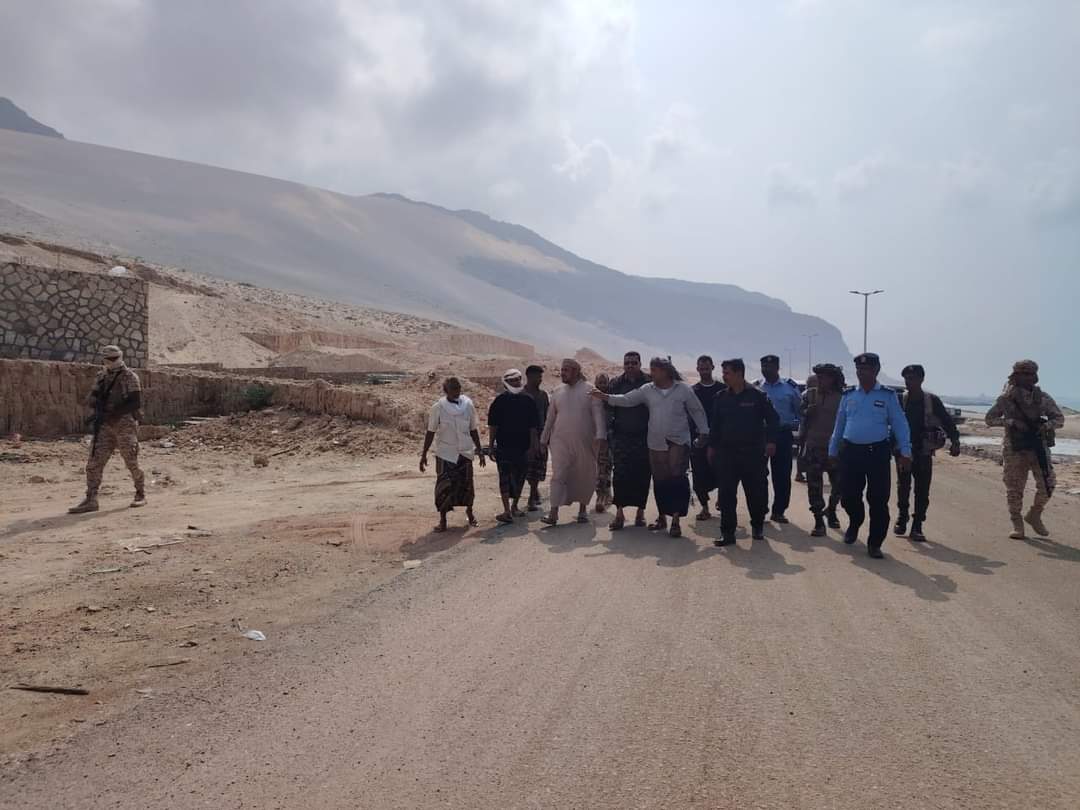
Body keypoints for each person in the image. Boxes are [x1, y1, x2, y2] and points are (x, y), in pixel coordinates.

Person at [593, 358, 709, 538]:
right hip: (655, 442)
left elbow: (697, 410)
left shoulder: (683, 389)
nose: (651, 373)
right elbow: (627, 399)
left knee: (677, 478)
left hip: (678, 441)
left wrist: (704, 431)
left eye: (654, 370)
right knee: (660, 480)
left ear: (665, 371)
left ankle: (676, 520)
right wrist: (606, 397)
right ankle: (662, 518)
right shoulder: (648, 389)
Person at [828, 353, 912, 559]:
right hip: (850, 452)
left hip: (877, 453)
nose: (861, 373)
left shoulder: (887, 396)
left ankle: (875, 543)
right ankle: (855, 522)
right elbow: (839, 424)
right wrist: (832, 451)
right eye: (859, 369)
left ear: (876, 371)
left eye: (866, 369)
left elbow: (900, 424)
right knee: (848, 497)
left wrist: (905, 451)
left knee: (878, 500)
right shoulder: (849, 395)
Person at [985, 360, 1065, 539]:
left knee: (1048, 484)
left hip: (1038, 447)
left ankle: (1035, 514)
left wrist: (1045, 426)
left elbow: (1059, 419)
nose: (1029, 377)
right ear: (1016, 376)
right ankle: (1017, 522)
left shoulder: (1042, 397)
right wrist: (1011, 422)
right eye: (1024, 374)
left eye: (1031, 374)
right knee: (1014, 488)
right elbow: (989, 419)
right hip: (1015, 448)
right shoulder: (1006, 399)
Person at [707, 358, 778, 545]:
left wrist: (771, 441)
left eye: (727, 373)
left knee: (756, 493)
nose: (724, 377)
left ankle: (757, 526)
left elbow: (773, 420)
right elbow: (715, 425)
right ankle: (727, 533)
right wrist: (711, 447)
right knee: (726, 494)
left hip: (752, 454)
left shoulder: (757, 396)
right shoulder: (721, 397)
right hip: (727, 454)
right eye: (723, 373)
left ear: (739, 373)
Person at [69, 345, 146, 513]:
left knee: (131, 461)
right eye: (108, 359)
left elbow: (135, 402)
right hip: (104, 425)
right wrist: (95, 407)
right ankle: (91, 499)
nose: (111, 362)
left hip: (124, 424)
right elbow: (94, 397)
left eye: (114, 358)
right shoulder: (101, 376)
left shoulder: (129, 376)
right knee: (94, 462)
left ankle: (140, 493)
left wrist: (113, 412)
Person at [894, 364, 961, 541]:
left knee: (922, 490)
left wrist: (955, 441)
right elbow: (891, 423)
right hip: (903, 452)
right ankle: (902, 517)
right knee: (903, 487)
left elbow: (947, 421)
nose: (909, 382)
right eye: (907, 379)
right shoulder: (900, 400)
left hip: (923, 451)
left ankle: (917, 525)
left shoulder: (931, 400)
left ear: (922, 379)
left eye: (913, 378)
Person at [540, 359, 607, 526]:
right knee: (558, 474)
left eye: (566, 370)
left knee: (584, 474)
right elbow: (550, 418)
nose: (562, 373)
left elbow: (598, 414)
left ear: (576, 371)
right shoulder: (557, 391)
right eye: (562, 370)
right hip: (560, 441)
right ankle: (553, 513)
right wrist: (544, 439)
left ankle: (582, 510)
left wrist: (601, 435)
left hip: (585, 441)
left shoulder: (590, 390)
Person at [420, 377, 486, 532]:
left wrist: (480, 450)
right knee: (444, 487)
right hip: (446, 453)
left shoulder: (468, 405)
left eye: (458, 388)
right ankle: (443, 520)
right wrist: (424, 454)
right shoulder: (438, 408)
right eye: (453, 388)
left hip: (465, 452)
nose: (457, 391)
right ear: (446, 391)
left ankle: (470, 513)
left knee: (467, 485)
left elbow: (473, 429)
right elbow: (431, 431)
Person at [605, 351, 652, 530]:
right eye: (627, 363)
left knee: (643, 474)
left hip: (644, 436)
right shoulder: (616, 383)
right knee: (620, 475)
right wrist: (609, 434)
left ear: (640, 364)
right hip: (621, 436)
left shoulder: (649, 382)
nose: (630, 366)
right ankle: (619, 514)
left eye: (634, 363)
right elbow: (609, 408)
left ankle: (640, 513)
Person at [487, 369, 540, 525]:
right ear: (506, 383)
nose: (516, 383)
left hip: (523, 447)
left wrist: (533, 446)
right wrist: (491, 445)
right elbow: (493, 425)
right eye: (512, 381)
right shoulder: (499, 401)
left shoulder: (528, 400)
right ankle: (507, 510)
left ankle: (515, 506)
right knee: (504, 478)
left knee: (520, 477)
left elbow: (533, 427)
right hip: (504, 447)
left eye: (518, 379)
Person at [755, 354, 802, 523]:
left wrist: (797, 428)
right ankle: (760, 509)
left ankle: (779, 511)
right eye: (763, 367)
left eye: (769, 367)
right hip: (760, 435)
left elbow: (799, 411)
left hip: (782, 434)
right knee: (758, 475)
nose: (766, 370)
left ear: (777, 368)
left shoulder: (789, 388)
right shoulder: (756, 387)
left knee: (782, 475)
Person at [799, 363, 844, 536]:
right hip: (814, 447)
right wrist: (807, 412)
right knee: (814, 487)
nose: (819, 380)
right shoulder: (809, 395)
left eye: (823, 377)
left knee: (839, 485)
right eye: (818, 377)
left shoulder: (842, 398)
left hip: (835, 450)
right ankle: (818, 520)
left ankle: (831, 510)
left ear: (832, 379)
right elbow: (800, 413)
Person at [691, 355, 722, 520]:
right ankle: (704, 507)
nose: (704, 371)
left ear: (712, 368)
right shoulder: (692, 391)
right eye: (701, 368)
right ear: (697, 369)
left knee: (724, 472)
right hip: (699, 440)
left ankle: (723, 499)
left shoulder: (723, 389)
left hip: (720, 440)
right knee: (699, 474)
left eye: (707, 368)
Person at [523, 365, 550, 511]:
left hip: (541, 435)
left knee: (538, 467)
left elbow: (548, 415)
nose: (540, 380)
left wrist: (547, 437)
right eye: (537, 377)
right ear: (529, 377)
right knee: (527, 468)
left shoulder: (543, 395)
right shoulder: (521, 394)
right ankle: (533, 493)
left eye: (541, 377)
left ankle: (532, 495)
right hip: (524, 436)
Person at [593, 373, 614, 512]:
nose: (602, 385)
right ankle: (601, 496)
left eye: (604, 382)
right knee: (599, 470)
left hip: (610, 439)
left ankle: (605, 495)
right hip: (595, 440)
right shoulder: (591, 398)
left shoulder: (611, 399)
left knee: (606, 469)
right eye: (599, 382)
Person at [795, 373, 817, 485]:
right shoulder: (806, 394)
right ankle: (799, 473)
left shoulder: (821, 394)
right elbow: (800, 411)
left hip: (816, 428)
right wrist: (808, 410)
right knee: (803, 451)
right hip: (806, 427)